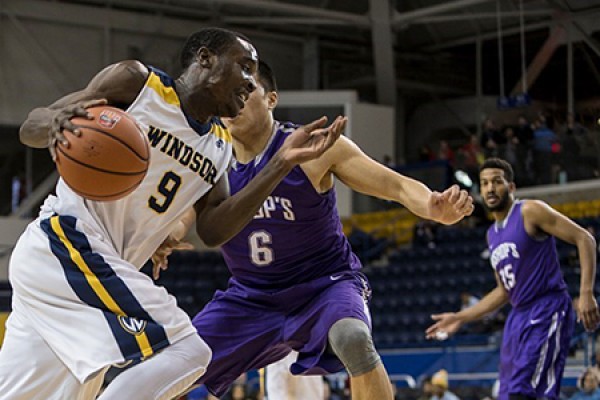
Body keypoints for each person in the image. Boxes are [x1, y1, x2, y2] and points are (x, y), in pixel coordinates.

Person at [0, 28, 344, 400]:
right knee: (186, 350)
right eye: (244, 68)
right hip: (67, 242)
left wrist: (279, 165)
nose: (250, 82)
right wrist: (54, 123)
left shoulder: (219, 146)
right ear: (206, 59)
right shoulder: (138, 84)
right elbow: (32, 125)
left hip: (87, 268)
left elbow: (213, 230)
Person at [154, 61, 474, 400]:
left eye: (244, 93)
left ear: (271, 99)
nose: (232, 105)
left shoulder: (313, 148)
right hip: (251, 296)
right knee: (171, 371)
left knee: (353, 339)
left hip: (324, 286)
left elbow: (396, 186)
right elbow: (184, 216)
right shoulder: (212, 161)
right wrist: (164, 237)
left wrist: (432, 206)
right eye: (225, 96)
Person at [426, 157, 600, 400]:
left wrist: (586, 293)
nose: (490, 188)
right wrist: (460, 317)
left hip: (546, 307)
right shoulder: (491, 235)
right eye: (484, 183)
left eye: (496, 181)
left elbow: (585, 239)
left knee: (526, 391)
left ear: (511, 187)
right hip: (517, 316)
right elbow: (503, 291)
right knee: (508, 394)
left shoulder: (530, 210)